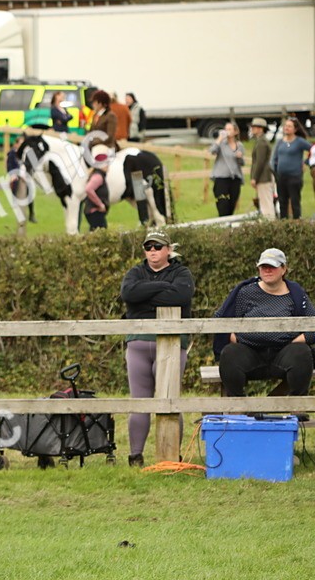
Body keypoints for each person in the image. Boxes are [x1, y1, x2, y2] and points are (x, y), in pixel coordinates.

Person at [120, 230, 194, 466]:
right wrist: (163, 288)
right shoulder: (136, 272)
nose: (152, 251)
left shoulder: (181, 272)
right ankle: (135, 455)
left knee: (169, 399)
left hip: (172, 343)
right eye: (148, 247)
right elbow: (129, 294)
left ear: (168, 250)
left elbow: (181, 296)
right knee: (140, 401)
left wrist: (145, 296)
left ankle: (172, 454)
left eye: (158, 247)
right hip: (138, 342)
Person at [214, 248, 315, 400]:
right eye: (263, 266)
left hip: (284, 353)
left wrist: (294, 342)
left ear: (283, 269)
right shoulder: (245, 292)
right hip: (250, 352)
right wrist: (237, 339)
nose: (267, 270)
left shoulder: (296, 294)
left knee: (302, 353)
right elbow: (223, 320)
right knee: (229, 354)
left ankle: (297, 407)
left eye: (272, 266)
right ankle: (239, 408)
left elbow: (312, 325)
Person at [269, 117, 310, 219]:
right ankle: (284, 226)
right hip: (281, 177)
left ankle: (297, 224)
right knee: (282, 203)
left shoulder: (299, 142)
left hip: (294, 177)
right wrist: (275, 171)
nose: (286, 128)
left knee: (295, 202)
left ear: (295, 129)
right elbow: (274, 158)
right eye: (285, 126)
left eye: (289, 126)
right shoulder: (280, 142)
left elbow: (312, 150)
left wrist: (306, 162)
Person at [209, 122, 245, 217]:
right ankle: (223, 223)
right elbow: (212, 151)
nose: (227, 131)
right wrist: (220, 138)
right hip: (221, 178)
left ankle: (229, 227)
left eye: (229, 129)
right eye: (226, 129)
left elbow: (242, 163)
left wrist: (240, 157)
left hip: (234, 179)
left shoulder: (239, 145)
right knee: (222, 204)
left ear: (235, 132)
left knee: (232, 204)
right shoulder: (221, 144)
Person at [249, 117, 276, 220]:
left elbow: (260, 162)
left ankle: (269, 225)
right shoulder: (260, 141)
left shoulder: (262, 142)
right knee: (265, 203)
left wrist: (254, 177)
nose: (252, 129)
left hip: (263, 176)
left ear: (260, 129)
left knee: (266, 204)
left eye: (254, 127)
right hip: (263, 176)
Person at [6, 135, 35, 223]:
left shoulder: (27, 153)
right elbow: (9, 166)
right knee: (15, 188)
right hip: (15, 175)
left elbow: (34, 164)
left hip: (26, 175)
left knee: (30, 192)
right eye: (21, 144)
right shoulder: (12, 153)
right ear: (16, 144)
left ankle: (31, 213)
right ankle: (17, 210)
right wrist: (13, 175)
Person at [83, 145, 111, 232]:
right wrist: (100, 204)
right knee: (101, 234)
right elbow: (88, 189)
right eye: (106, 164)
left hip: (95, 212)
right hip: (95, 212)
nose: (108, 166)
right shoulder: (98, 176)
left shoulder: (99, 174)